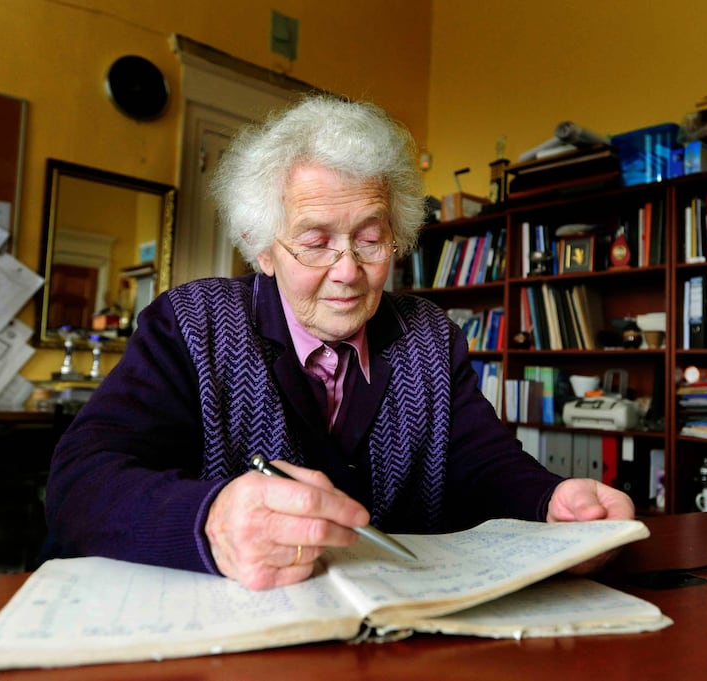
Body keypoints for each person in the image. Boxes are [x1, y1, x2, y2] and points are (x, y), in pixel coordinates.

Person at [42, 94, 634, 591]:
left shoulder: (429, 336)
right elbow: (81, 483)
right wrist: (209, 522)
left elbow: (483, 465)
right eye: (316, 241)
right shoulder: (192, 325)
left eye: (370, 240)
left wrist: (553, 502)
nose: (348, 271)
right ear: (263, 246)